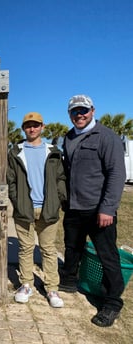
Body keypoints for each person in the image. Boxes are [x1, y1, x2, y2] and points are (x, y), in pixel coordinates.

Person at [59, 95, 126, 327]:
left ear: (92, 110)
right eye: (75, 111)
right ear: (70, 114)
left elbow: (117, 174)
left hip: (99, 210)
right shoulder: (68, 137)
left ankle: (112, 302)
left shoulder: (107, 137)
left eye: (83, 110)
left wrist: (108, 208)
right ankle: (68, 281)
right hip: (74, 208)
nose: (80, 115)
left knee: (107, 256)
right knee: (72, 247)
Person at [7, 112, 66, 308]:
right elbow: (11, 180)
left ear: (42, 127)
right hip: (25, 208)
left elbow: (60, 179)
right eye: (28, 125)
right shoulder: (16, 151)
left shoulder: (53, 151)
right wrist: (17, 201)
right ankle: (26, 284)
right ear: (24, 128)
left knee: (48, 249)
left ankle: (51, 288)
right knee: (26, 249)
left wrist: (58, 200)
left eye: (36, 125)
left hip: (48, 208)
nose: (32, 129)